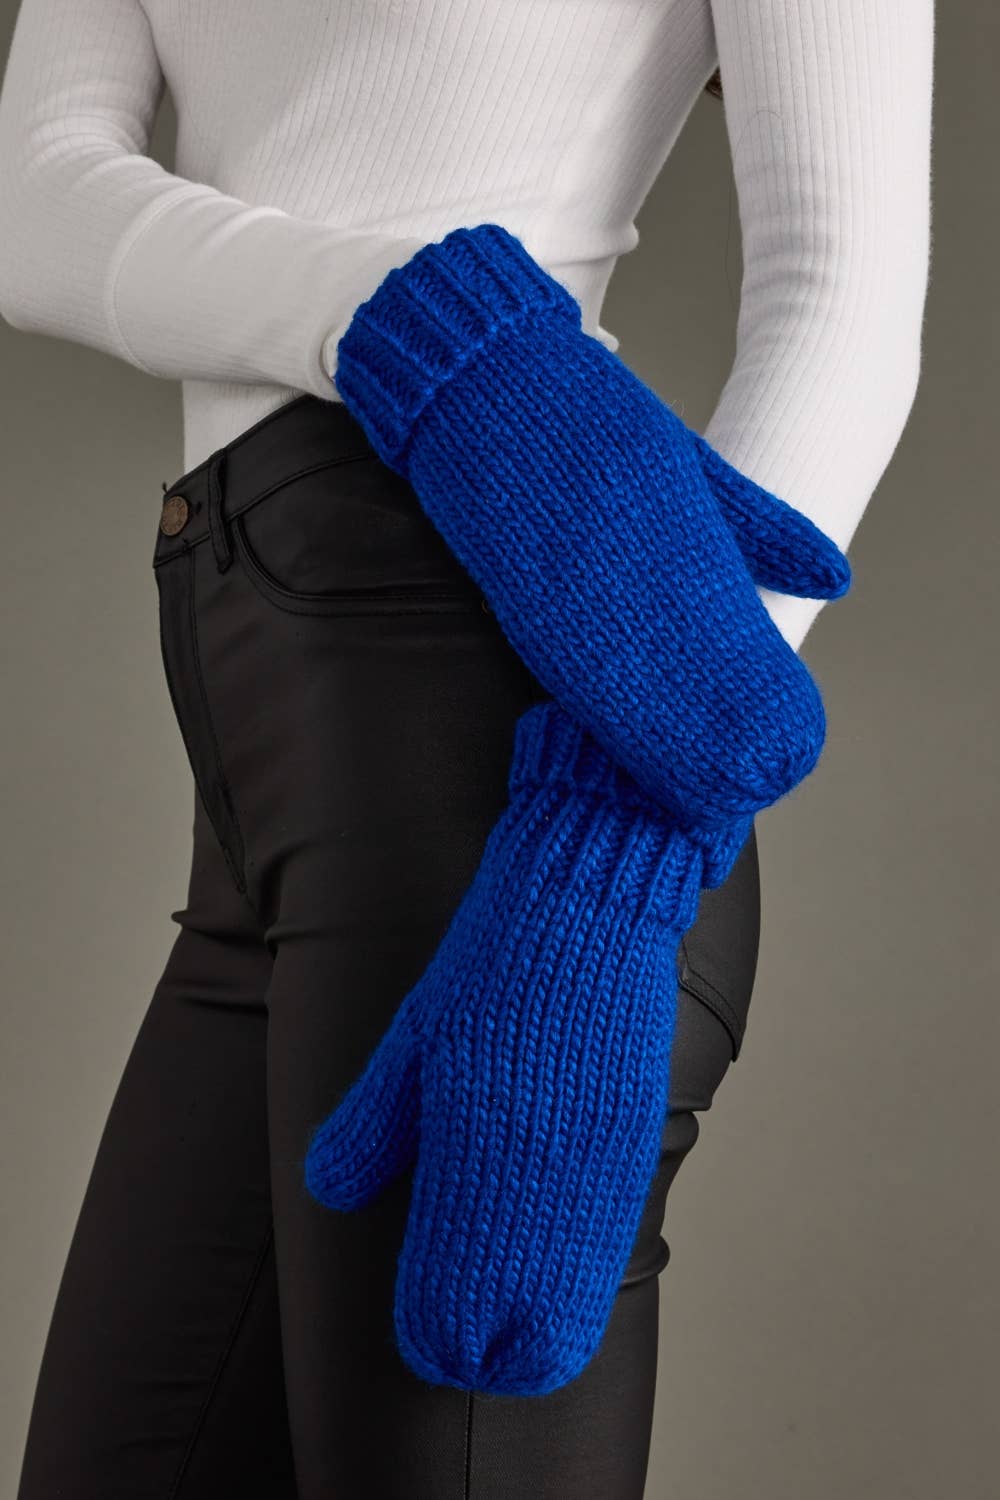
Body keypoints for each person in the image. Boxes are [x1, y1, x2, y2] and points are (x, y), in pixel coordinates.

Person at [0, 1, 933, 1495]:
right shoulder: (426, 335)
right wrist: (416, 325)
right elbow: (36, 203)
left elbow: (843, 299)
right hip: (265, 765)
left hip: (515, 762)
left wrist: (610, 840)